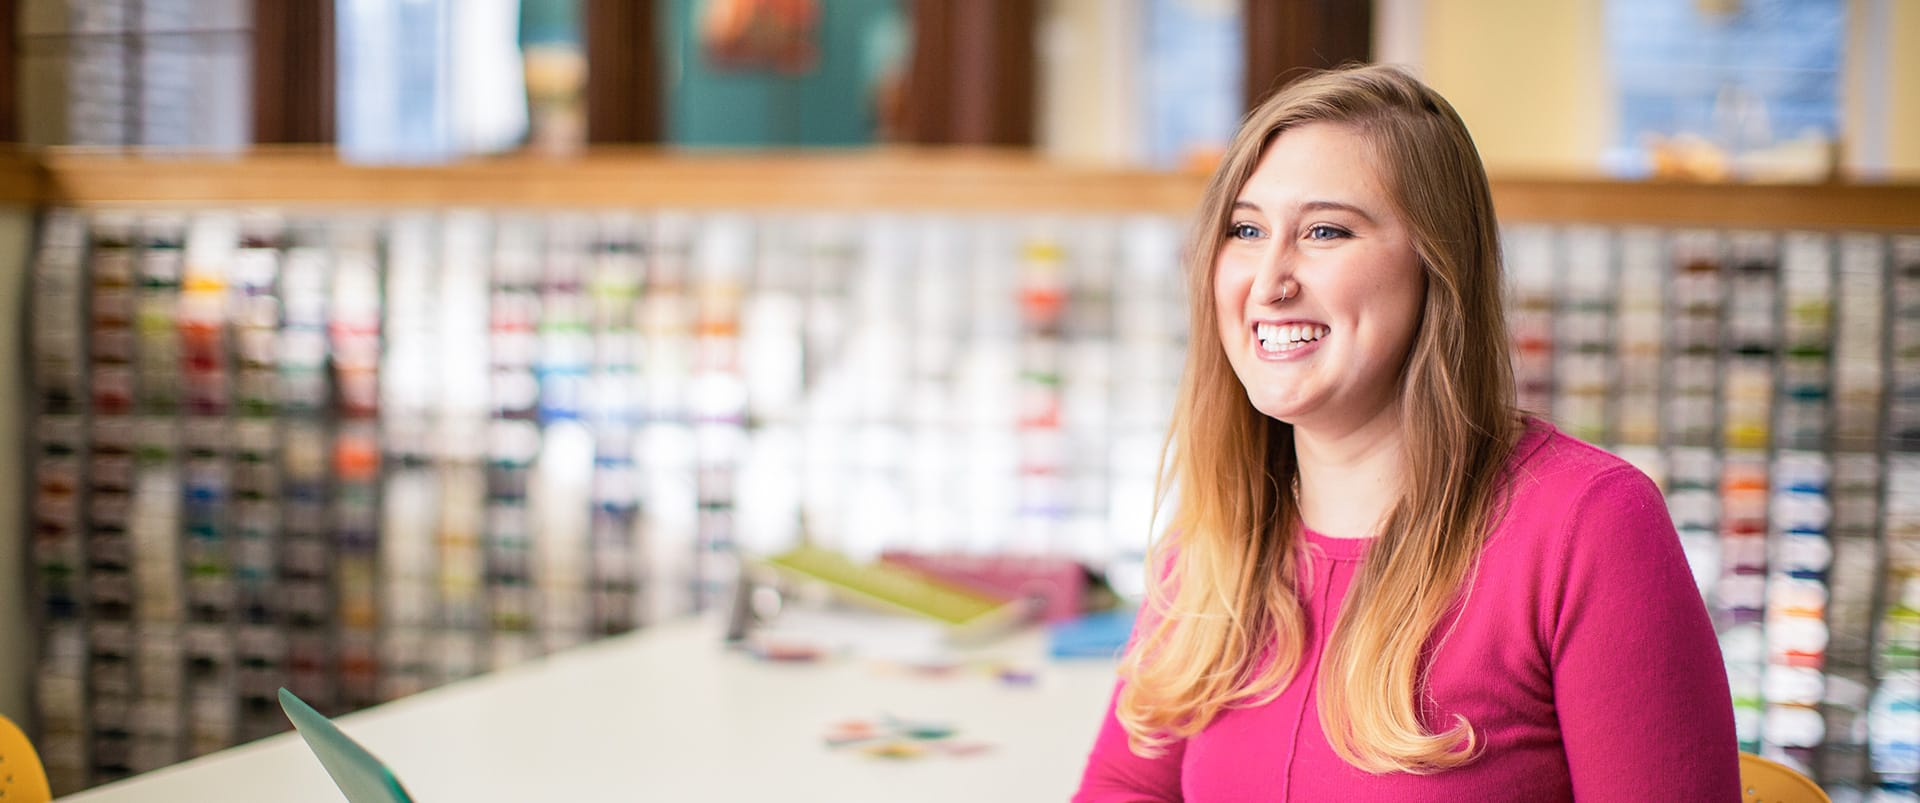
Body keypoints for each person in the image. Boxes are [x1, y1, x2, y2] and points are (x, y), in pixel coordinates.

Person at [1073, 64, 1739, 801]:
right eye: (1245, 229)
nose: (1269, 280)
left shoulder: (1591, 527)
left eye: (1325, 230)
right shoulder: (1215, 537)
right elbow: (1124, 785)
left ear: (1437, 266)